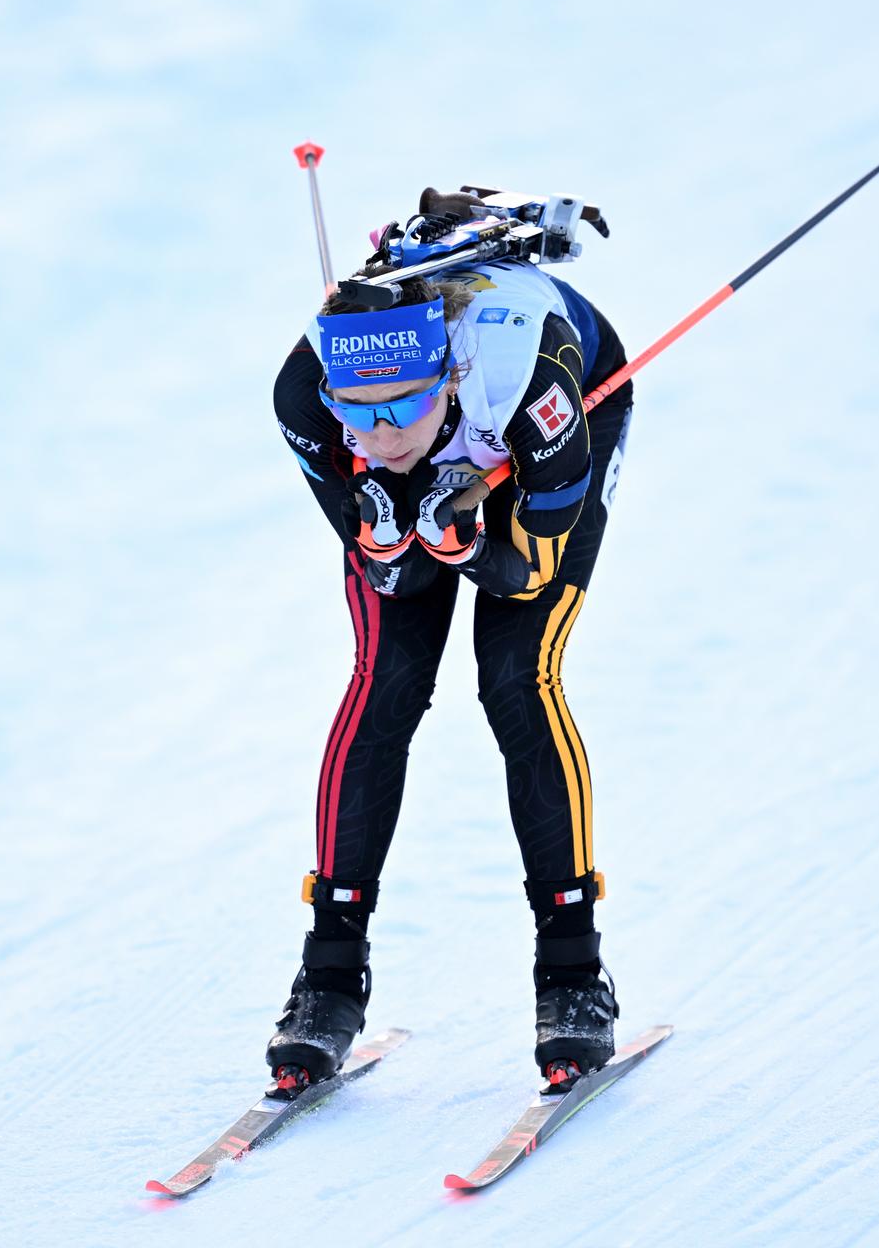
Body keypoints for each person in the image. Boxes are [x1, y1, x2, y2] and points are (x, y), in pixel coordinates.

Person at [267, 188, 634, 1091]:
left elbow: (526, 573)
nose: (380, 432)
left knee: (517, 679)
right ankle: (327, 977)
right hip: (463, 448)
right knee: (385, 681)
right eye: (363, 413)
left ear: (450, 382)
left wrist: (465, 538)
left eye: (401, 410)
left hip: (563, 422)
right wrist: (393, 529)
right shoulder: (309, 399)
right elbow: (391, 573)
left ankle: (574, 975)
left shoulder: (526, 377)